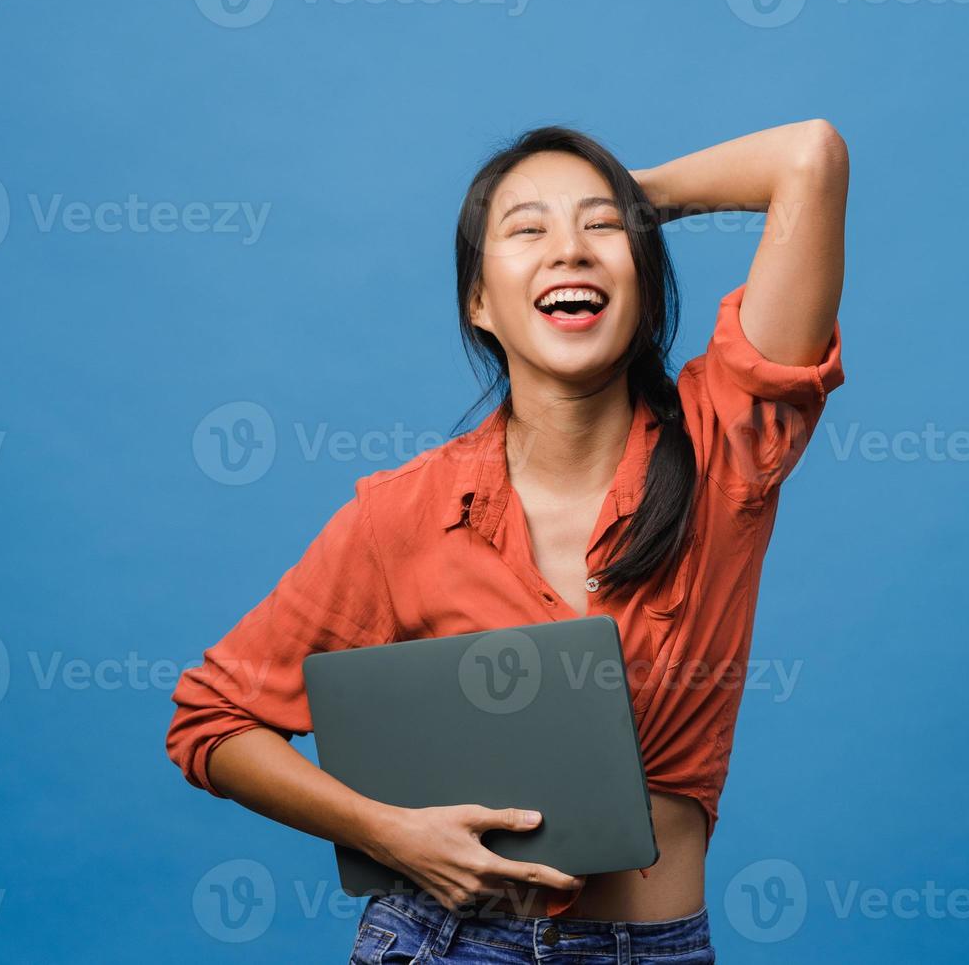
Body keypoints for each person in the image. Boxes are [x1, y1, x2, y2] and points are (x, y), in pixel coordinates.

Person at [166, 119, 849, 962]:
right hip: (446, 943)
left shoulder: (728, 451)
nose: (569, 249)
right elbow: (211, 716)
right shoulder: (407, 514)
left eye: (599, 229)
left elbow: (809, 157)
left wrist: (635, 202)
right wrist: (389, 833)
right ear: (479, 303)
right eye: (528, 231)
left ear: (645, 280)